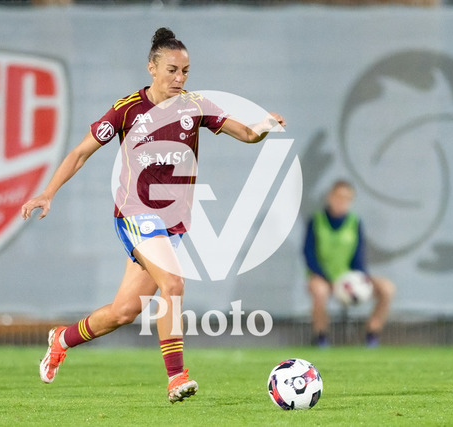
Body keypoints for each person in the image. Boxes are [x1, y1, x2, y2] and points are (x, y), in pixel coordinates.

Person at [21, 27, 285, 403]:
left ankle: (62, 338)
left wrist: (263, 127)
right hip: (135, 214)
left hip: (171, 223)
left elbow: (244, 133)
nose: (180, 78)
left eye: (185, 71)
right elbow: (80, 153)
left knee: (124, 311)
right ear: (152, 68)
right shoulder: (128, 109)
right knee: (173, 284)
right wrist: (48, 193)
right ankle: (177, 377)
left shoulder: (195, 105)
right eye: (172, 70)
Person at [303, 180, 395, 347]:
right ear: (330, 197)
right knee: (319, 291)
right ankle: (321, 336)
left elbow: (358, 255)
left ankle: (372, 334)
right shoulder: (316, 221)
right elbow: (309, 254)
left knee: (387, 288)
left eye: (346, 198)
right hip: (323, 277)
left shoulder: (354, 222)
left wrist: (359, 278)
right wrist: (328, 279)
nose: (341, 201)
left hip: (348, 277)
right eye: (338, 197)